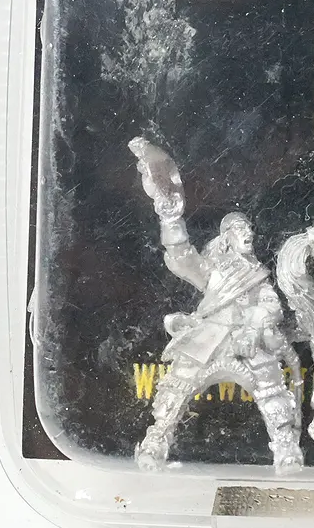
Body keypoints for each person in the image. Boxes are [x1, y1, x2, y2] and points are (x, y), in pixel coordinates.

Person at [129, 139, 303, 473]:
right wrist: (170, 217)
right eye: (239, 228)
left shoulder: (257, 275)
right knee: (177, 385)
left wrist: (254, 325)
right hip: (209, 337)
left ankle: (285, 447)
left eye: (248, 227)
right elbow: (182, 258)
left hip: (247, 339)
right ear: (226, 238)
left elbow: (271, 305)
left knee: (272, 389)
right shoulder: (214, 271)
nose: (247, 232)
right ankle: (156, 439)